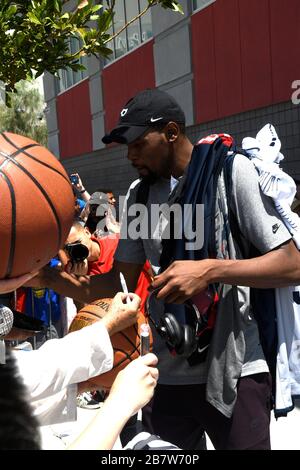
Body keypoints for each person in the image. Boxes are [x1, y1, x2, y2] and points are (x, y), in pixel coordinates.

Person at [28, 89, 300, 450]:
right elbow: (114, 283)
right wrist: (48, 278)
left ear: (172, 133)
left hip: (235, 371)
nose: (130, 155)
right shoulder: (139, 195)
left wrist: (209, 270)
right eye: (127, 146)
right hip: (165, 373)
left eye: (138, 143)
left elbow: (292, 262)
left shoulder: (232, 173)